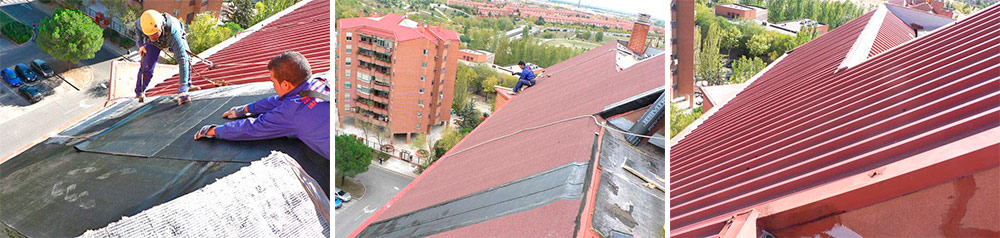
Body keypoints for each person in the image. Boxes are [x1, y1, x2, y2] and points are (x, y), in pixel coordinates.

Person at [193, 51, 331, 193]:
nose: (273, 86)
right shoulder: (319, 82)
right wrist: (245, 109)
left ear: (285, 84)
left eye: (273, 82)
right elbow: (278, 100)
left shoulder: (293, 112)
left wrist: (215, 130)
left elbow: (253, 128)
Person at [134, 10, 193, 105]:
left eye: (154, 34)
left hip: (170, 36)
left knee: (187, 58)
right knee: (147, 65)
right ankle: (139, 91)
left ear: (161, 26)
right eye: (149, 35)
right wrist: (140, 44)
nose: (152, 37)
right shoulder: (143, 23)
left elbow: (182, 59)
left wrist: (183, 91)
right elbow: (136, 28)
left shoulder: (173, 33)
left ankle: (187, 85)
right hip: (155, 43)